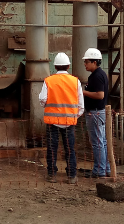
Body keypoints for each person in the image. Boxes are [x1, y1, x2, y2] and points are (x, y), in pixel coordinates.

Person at [39, 52, 84, 184]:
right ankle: (71, 176)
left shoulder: (49, 80)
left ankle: (52, 175)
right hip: (69, 122)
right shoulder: (75, 81)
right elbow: (81, 105)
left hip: (52, 121)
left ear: (55, 67)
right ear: (68, 66)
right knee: (70, 148)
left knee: (52, 148)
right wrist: (74, 116)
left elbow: (42, 99)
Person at [82, 48, 110, 178]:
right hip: (99, 112)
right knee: (102, 141)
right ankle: (106, 168)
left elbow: (100, 95)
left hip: (95, 112)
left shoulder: (96, 76)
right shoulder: (100, 74)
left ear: (94, 62)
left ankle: (99, 170)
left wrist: (83, 92)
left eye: (87, 62)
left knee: (97, 142)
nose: (85, 64)